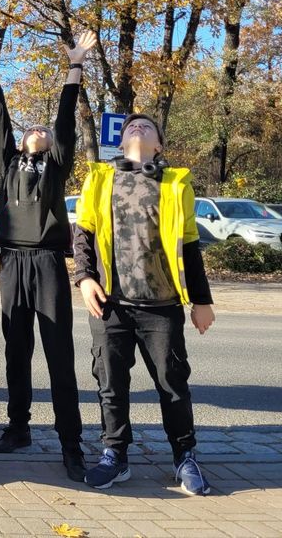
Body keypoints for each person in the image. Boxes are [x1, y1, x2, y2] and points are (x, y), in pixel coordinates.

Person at [0, 30, 96, 482]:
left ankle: (71, 443)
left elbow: (65, 121)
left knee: (59, 351)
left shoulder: (57, 165)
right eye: (32, 130)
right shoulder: (7, 164)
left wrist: (75, 68)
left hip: (46, 262)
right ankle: (18, 426)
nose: (37, 131)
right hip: (11, 263)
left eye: (42, 130)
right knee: (16, 349)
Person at [72, 113, 216, 495]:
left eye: (147, 127)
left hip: (162, 304)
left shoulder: (174, 183)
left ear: (159, 145)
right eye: (131, 126)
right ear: (120, 143)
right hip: (110, 302)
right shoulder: (100, 178)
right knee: (110, 384)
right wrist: (84, 278)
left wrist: (201, 301)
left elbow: (188, 243)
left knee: (172, 384)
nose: (136, 127)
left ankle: (184, 456)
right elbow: (83, 231)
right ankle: (115, 455)